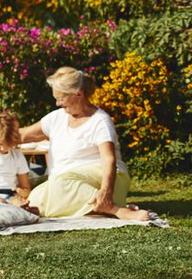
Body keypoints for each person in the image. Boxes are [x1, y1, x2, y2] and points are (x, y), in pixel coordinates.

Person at [19, 67, 149, 220]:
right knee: (35, 197)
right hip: (66, 183)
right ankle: (102, 208)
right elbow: (23, 135)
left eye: (60, 98)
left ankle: (113, 208)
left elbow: (109, 159)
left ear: (78, 94)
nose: (57, 103)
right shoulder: (56, 118)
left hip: (107, 179)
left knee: (61, 182)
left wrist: (106, 191)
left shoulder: (100, 121)